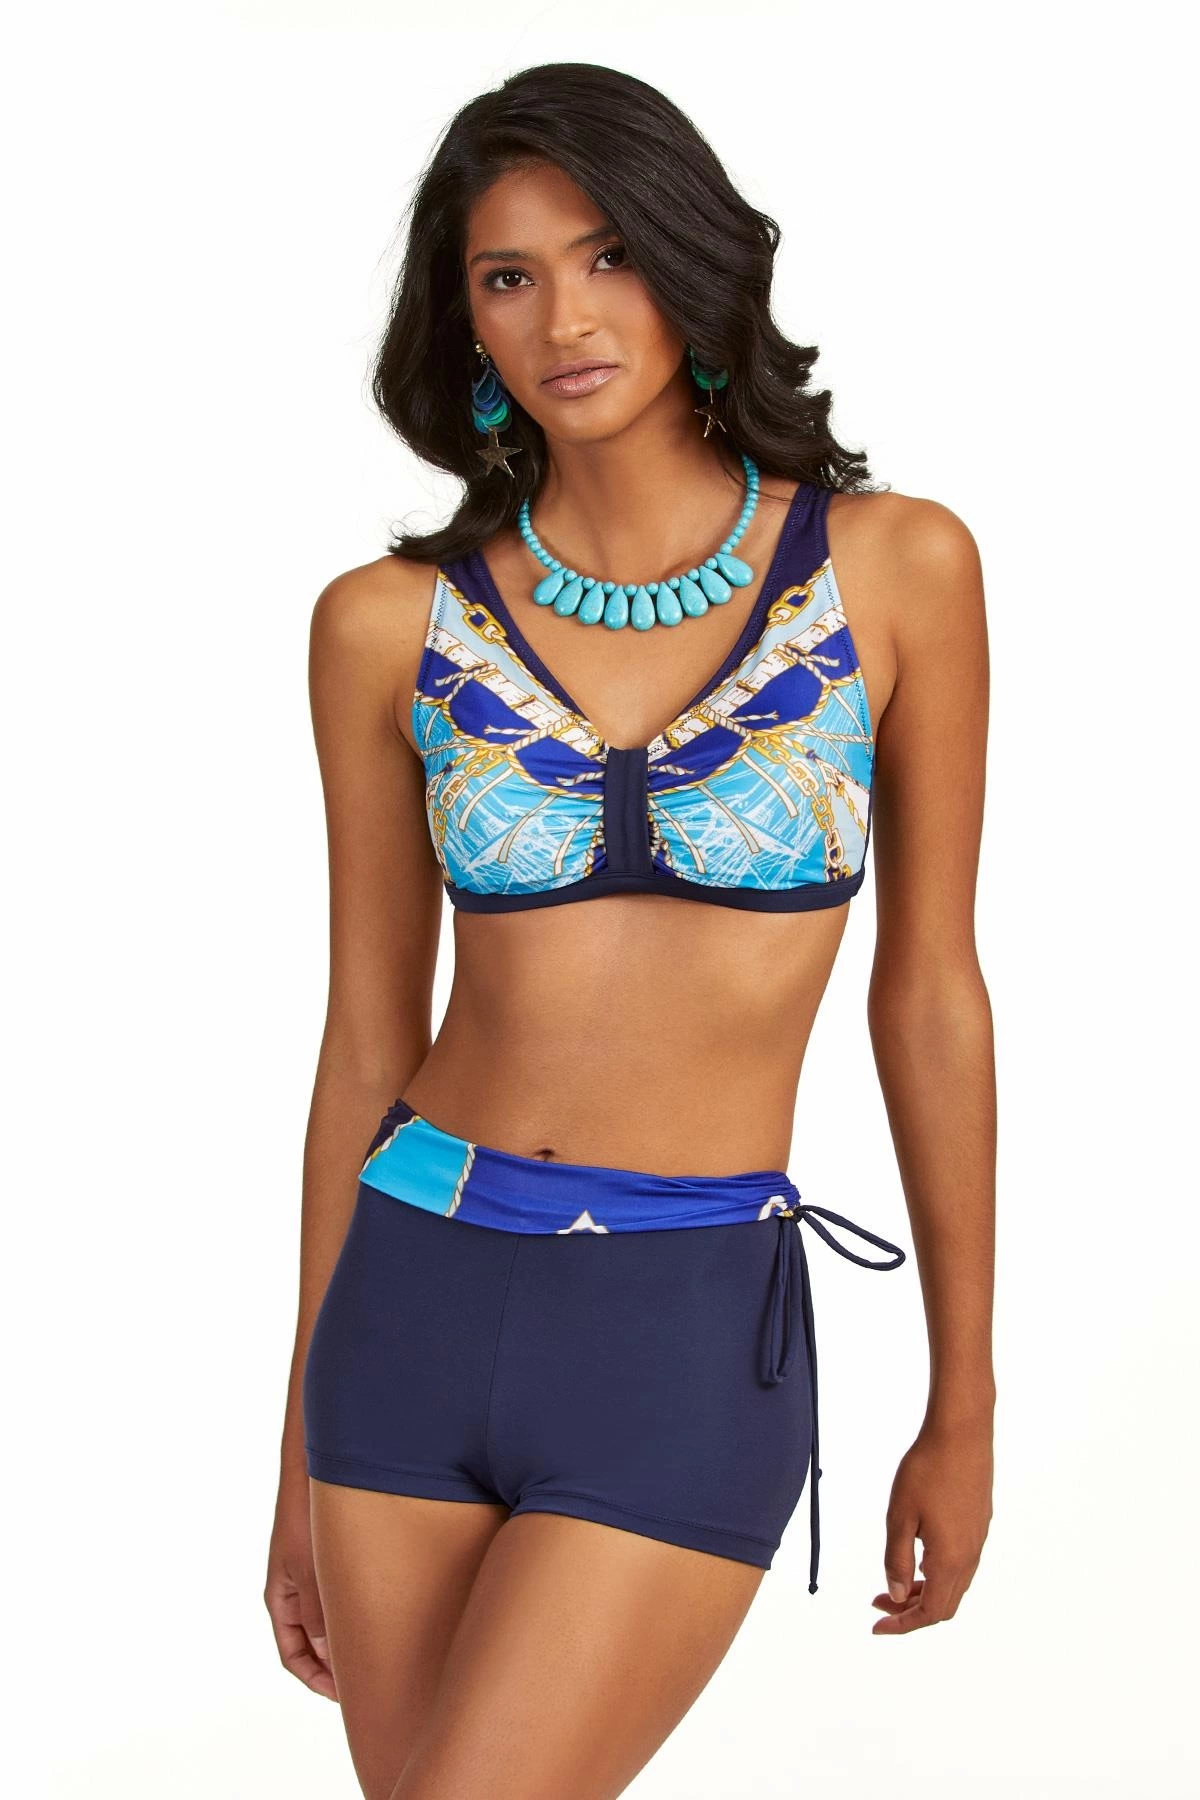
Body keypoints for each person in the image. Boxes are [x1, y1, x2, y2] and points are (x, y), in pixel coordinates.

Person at [264, 61, 996, 1800]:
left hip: (681, 1325)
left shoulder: (896, 572)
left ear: (691, 262)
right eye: (508, 277)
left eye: (606, 256)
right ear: (464, 323)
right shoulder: (385, 625)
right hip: (409, 1304)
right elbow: (366, 1037)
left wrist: (963, 1400)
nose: (566, 318)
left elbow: (930, 996)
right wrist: (294, 1448)